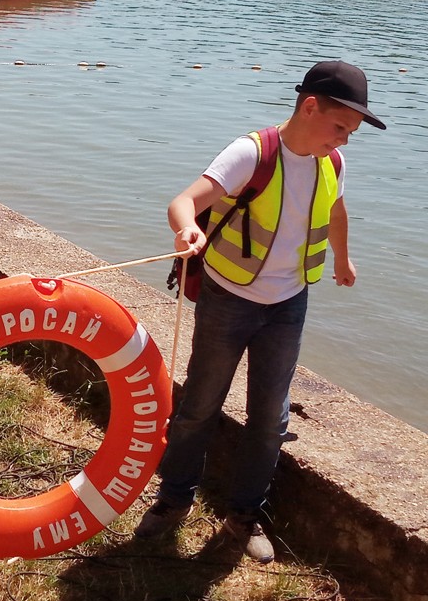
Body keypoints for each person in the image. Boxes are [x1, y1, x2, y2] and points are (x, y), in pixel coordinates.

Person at [134, 61, 386, 563]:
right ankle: (174, 498)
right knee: (200, 404)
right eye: (340, 128)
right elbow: (183, 202)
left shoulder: (331, 163)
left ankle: (243, 515)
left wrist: (341, 257)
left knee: (270, 418)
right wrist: (186, 230)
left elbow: (336, 210)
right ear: (309, 106)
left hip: (289, 304)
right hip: (229, 299)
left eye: (351, 133)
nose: (344, 141)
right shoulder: (251, 153)